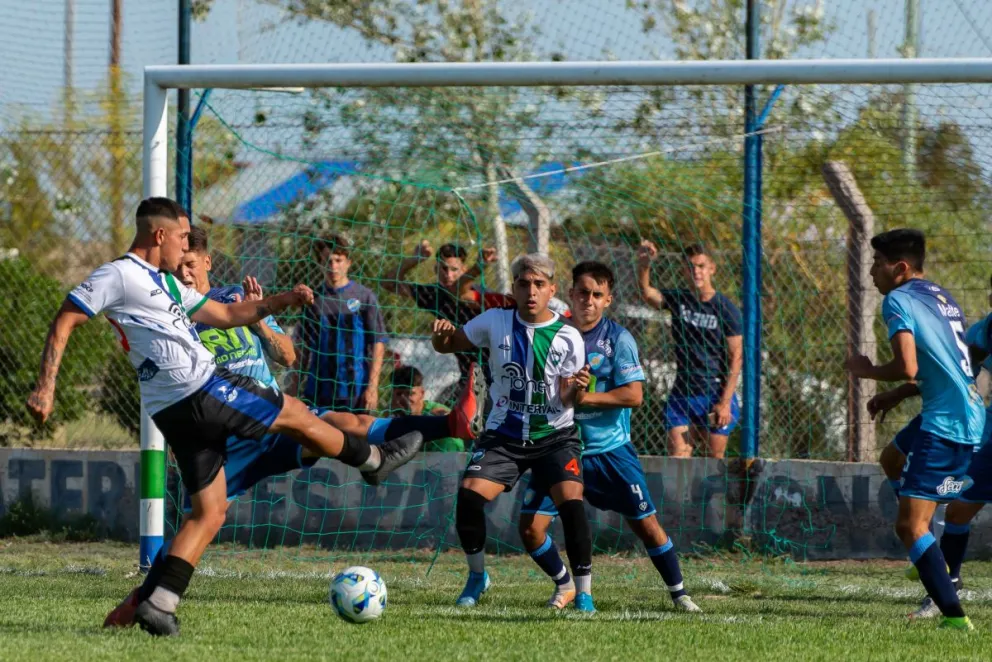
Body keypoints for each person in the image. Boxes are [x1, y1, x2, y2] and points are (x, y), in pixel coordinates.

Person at [27, 198, 423, 637]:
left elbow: (227, 313)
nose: (184, 249)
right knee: (293, 413)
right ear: (160, 235)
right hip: (198, 388)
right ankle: (372, 460)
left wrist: (281, 300)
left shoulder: (166, 285)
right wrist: (47, 386)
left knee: (210, 511)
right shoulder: (119, 274)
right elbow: (66, 318)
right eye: (181, 238)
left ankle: (160, 603)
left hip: (172, 408)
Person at [102, 226, 481, 630]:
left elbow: (288, 356)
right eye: (178, 269)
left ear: (207, 262)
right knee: (206, 517)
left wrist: (261, 320)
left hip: (273, 413)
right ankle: (142, 600)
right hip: (230, 438)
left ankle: (446, 425)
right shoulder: (176, 314)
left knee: (346, 423)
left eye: (191, 266)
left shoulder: (238, 300)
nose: (185, 275)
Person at [518, 261, 701, 613]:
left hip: (609, 451)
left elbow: (634, 395)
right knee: (530, 529)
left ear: (608, 301)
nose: (588, 300)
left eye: (597, 294)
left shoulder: (618, 339)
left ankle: (679, 593)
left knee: (647, 525)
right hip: (559, 448)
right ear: (570, 294)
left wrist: (588, 398)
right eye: (583, 292)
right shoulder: (551, 334)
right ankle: (567, 586)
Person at [431, 253, 596, 611]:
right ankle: (477, 577)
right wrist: (440, 338)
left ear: (552, 289)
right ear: (514, 288)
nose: (531, 291)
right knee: (470, 498)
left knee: (572, 504)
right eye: (524, 284)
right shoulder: (493, 321)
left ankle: (582, 592)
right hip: (504, 435)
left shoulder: (569, 335)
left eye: (539, 284)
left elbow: (569, 397)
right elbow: (450, 344)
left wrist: (579, 388)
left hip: (555, 436)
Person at [845, 228, 983, 631]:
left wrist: (867, 371)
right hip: (961, 409)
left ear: (900, 268)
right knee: (892, 458)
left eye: (877, 263)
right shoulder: (940, 296)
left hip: (947, 422)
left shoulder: (897, 300)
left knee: (909, 525)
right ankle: (928, 555)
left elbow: (908, 365)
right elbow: (937, 363)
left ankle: (954, 619)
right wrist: (893, 397)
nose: (871, 271)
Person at [869, 272, 992, 620]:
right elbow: (953, 371)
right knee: (894, 460)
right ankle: (939, 573)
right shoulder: (982, 332)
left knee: (952, 512)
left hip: (964, 423)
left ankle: (943, 587)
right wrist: (896, 392)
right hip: (959, 416)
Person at [636, 241, 742, 458]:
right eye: (691, 266)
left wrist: (724, 403)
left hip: (713, 394)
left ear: (712, 268)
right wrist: (645, 265)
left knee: (713, 460)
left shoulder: (726, 309)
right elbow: (647, 293)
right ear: (684, 269)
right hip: (683, 393)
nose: (696, 271)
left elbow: (736, 357)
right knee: (678, 455)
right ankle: (679, 494)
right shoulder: (679, 299)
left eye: (701, 266)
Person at [287, 232, 386, 414]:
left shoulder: (364, 297)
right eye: (327, 260)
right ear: (319, 263)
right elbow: (303, 347)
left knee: (355, 439)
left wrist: (373, 387)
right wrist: (294, 384)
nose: (333, 266)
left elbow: (377, 344)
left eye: (338, 260)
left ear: (348, 262)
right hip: (319, 388)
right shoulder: (312, 300)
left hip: (354, 388)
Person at [389, 365, 465, 452]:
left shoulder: (434, 411)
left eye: (410, 394)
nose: (404, 399)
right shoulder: (394, 413)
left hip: (448, 454)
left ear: (422, 393)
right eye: (399, 394)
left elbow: (447, 417)